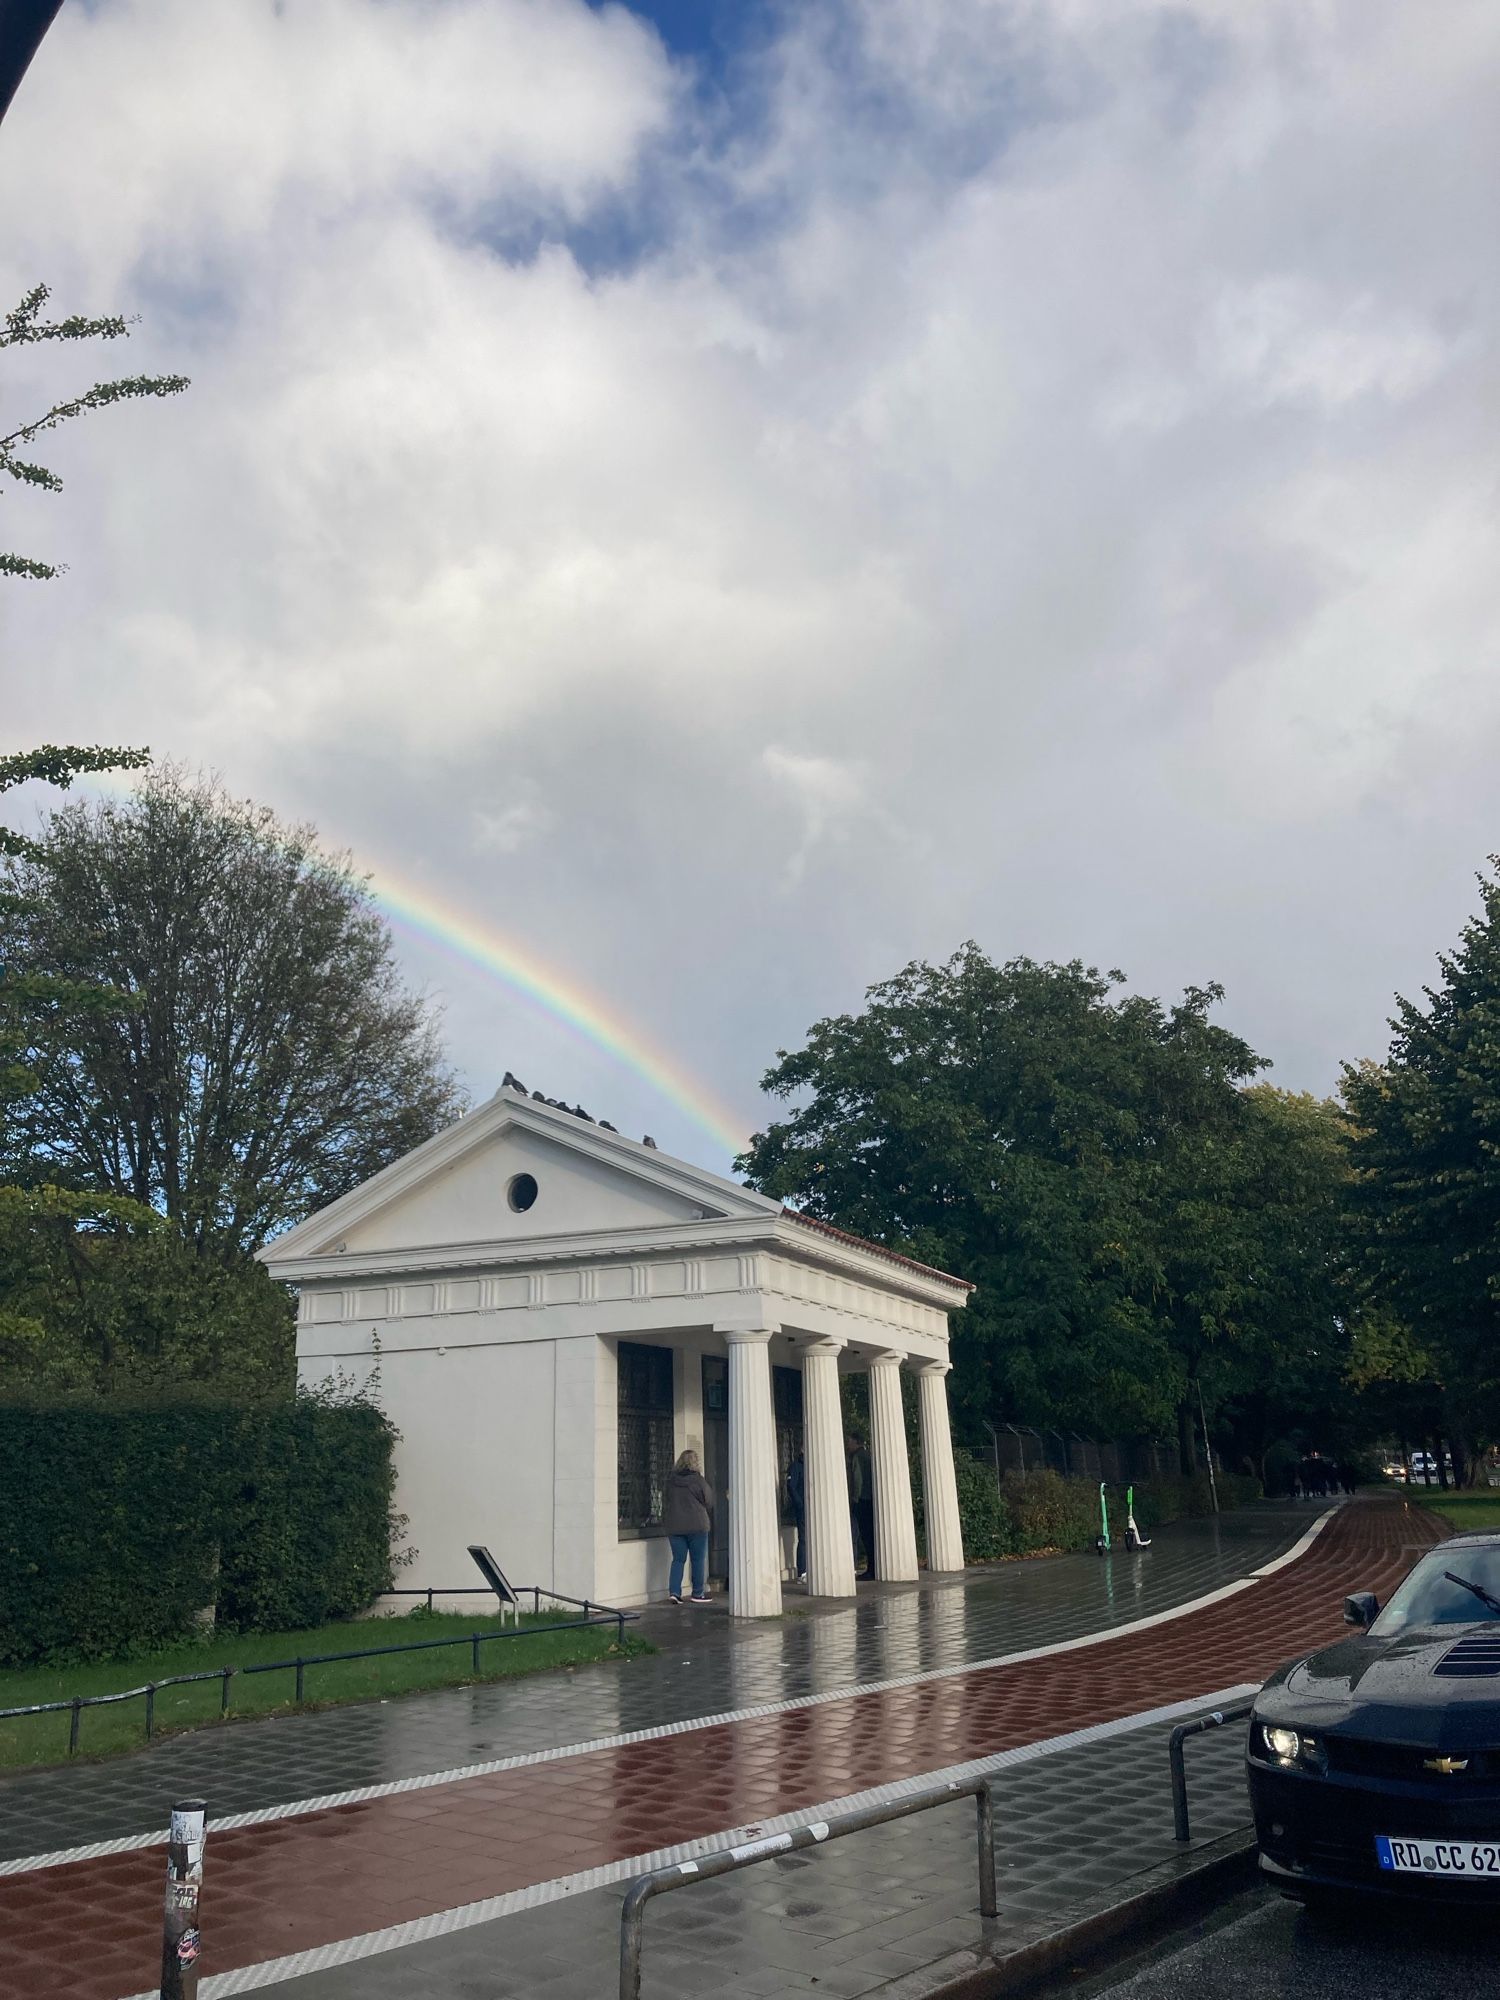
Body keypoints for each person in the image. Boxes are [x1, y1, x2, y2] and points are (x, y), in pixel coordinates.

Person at [662, 1449, 714, 1605]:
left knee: (678, 1559)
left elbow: (665, 1501)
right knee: (697, 1560)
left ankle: (674, 1592)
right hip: (697, 1525)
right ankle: (697, 1593)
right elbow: (708, 1500)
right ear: (695, 1463)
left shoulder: (671, 1481)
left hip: (675, 1526)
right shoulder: (698, 1481)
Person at [846, 1433, 876, 1581]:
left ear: (856, 1442)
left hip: (862, 1500)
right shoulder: (867, 1455)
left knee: (865, 1536)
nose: (848, 1444)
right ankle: (873, 1568)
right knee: (870, 1535)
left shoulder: (857, 1457)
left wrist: (854, 1499)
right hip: (869, 1499)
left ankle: (871, 1569)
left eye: (850, 1441)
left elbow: (857, 1478)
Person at [787, 1449, 807, 1582]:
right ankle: (802, 1572)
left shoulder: (811, 1464)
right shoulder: (796, 1466)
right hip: (803, 1508)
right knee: (803, 1539)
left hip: (812, 1508)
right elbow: (791, 1486)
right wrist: (800, 1504)